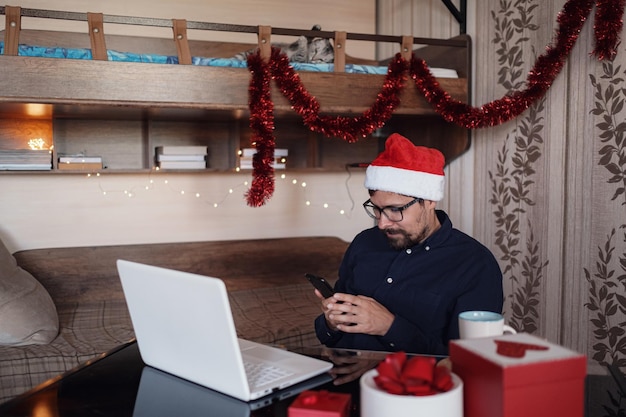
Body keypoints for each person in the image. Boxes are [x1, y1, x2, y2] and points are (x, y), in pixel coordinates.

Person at [314, 133, 503, 356]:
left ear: (430, 200)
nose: (382, 223)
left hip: (418, 388)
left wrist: (389, 327)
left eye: (395, 210)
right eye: (376, 208)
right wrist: (331, 323)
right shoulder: (364, 243)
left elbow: (469, 362)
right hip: (343, 379)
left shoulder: (475, 265)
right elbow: (328, 334)